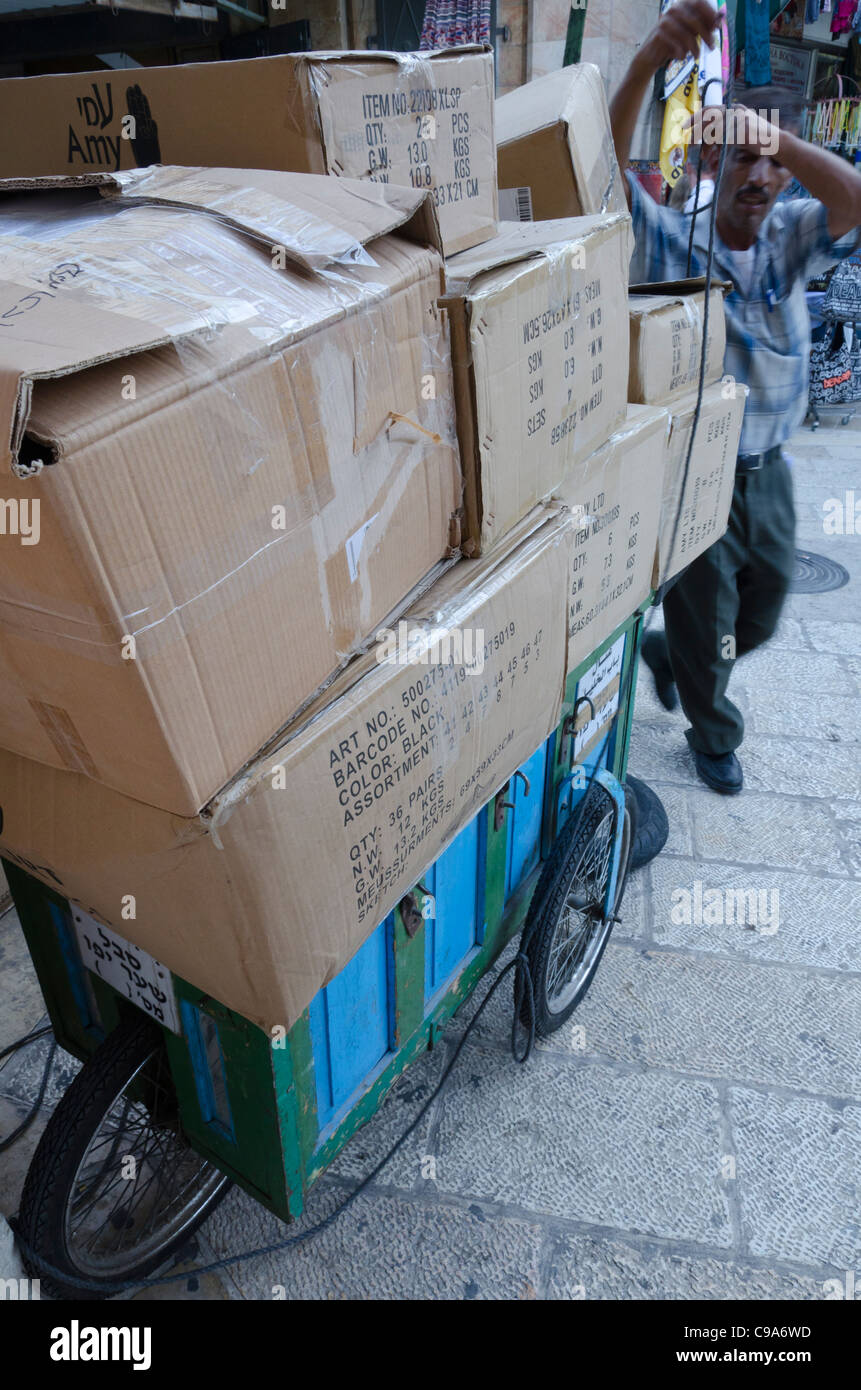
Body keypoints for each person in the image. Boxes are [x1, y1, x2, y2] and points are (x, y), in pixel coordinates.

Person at [609, 0, 861, 793]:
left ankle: (670, 658)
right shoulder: (672, 238)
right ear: (710, 166)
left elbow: (854, 200)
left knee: (765, 608)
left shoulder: (790, 233)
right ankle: (712, 731)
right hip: (697, 468)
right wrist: (647, 60)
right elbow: (601, 177)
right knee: (708, 622)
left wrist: (772, 137)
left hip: (773, 473)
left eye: (771, 167)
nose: (757, 179)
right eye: (740, 162)